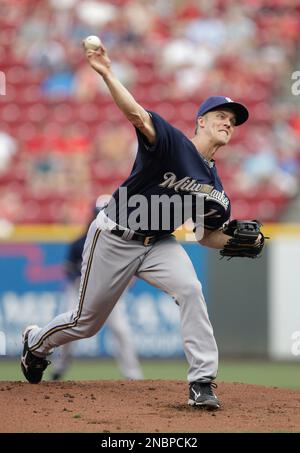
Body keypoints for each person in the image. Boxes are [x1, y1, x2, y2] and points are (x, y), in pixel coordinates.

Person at [21, 40, 250, 411]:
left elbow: (205, 236)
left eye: (233, 120)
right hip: (114, 234)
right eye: (221, 115)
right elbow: (138, 116)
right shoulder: (173, 144)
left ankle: (202, 382)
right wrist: (107, 72)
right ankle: (35, 342)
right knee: (86, 323)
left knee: (191, 288)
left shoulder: (216, 189)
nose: (228, 122)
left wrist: (234, 243)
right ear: (201, 121)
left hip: (158, 244)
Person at [51, 205, 143, 381]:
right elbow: (69, 270)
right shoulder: (79, 242)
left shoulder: (122, 242)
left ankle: (133, 375)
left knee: (121, 331)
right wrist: (81, 279)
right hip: (81, 291)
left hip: (111, 292)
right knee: (69, 326)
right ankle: (60, 366)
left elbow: (132, 270)